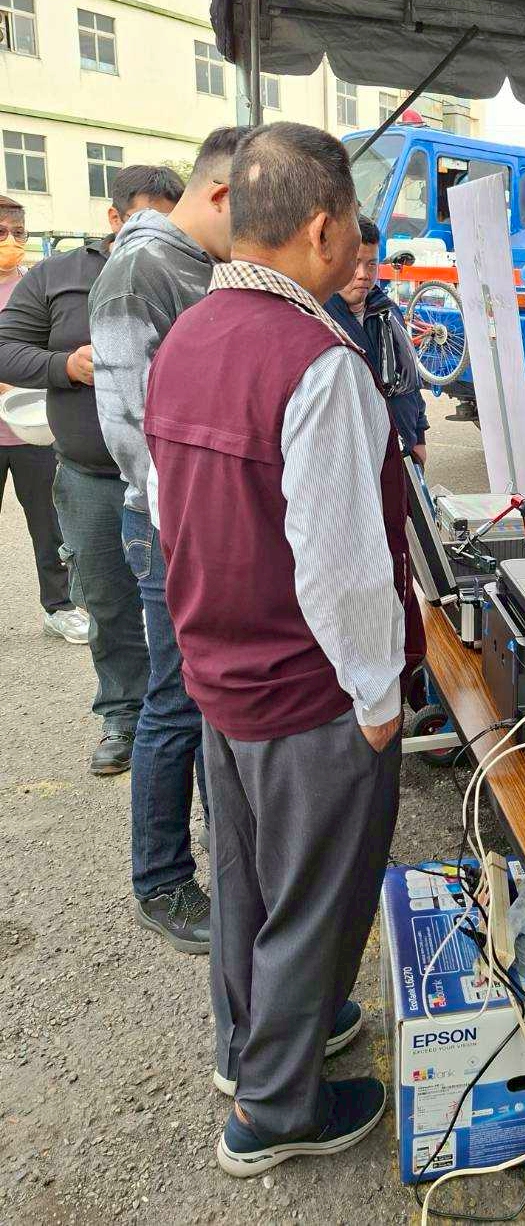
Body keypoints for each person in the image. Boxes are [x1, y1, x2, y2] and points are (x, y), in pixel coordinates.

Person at [144, 122, 424, 1177]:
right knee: (316, 898)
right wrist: (379, 701)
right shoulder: (319, 361)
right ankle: (273, 1110)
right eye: (351, 220)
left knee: (250, 884)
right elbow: (343, 565)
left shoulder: (189, 335)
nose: (355, 241)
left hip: (222, 671)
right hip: (308, 690)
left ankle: (250, 1046)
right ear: (321, 227)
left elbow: (168, 507)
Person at [89, 126, 249, 953]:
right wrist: (198, 519)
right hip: (169, 523)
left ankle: (229, 853)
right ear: (220, 193)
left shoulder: (203, 264)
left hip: (208, 518)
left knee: (209, 696)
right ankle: (160, 880)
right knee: (176, 700)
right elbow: (130, 429)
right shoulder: (140, 269)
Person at [0, 166, 182, 775]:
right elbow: (5, 347)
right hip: (91, 477)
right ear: (114, 218)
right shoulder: (59, 276)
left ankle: (185, 716)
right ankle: (124, 714)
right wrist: (63, 366)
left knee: (183, 604)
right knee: (108, 601)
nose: (157, 235)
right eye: (144, 220)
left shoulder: (188, 269)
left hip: (171, 479)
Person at [0, 196, 90, 645]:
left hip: (30, 430)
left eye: (19, 232)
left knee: (48, 524)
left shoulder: (36, 284)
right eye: (1, 233)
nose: (12, 241)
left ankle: (59, 607)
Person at [324, 216, 429, 463]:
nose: (363, 275)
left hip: (404, 455)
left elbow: (409, 380)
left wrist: (419, 438)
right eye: (355, 263)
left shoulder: (388, 312)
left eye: (372, 264)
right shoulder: (321, 321)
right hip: (355, 462)